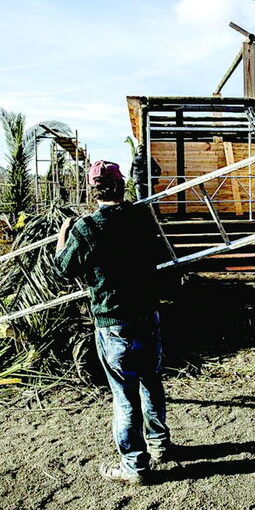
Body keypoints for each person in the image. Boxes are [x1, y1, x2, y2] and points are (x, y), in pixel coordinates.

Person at [55, 160, 171, 485]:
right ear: (122, 186)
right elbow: (160, 256)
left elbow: (63, 268)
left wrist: (63, 236)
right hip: (148, 315)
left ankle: (134, 465)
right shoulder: (141, 218)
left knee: (124, 395)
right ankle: (160, 445)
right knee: (152, 381)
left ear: (94, 190)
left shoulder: (86, 229)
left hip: (113, 324)